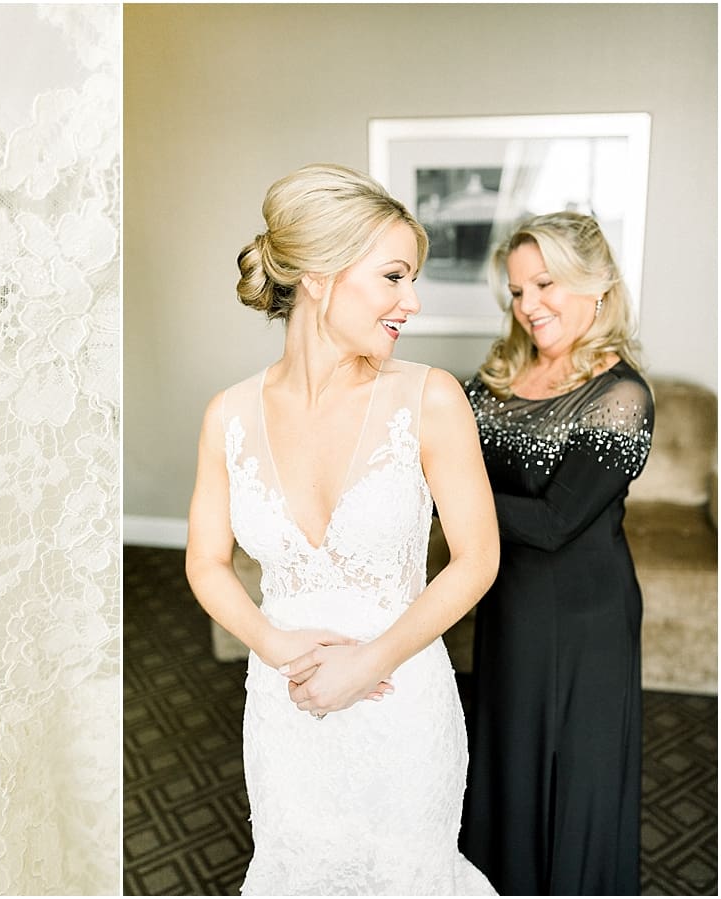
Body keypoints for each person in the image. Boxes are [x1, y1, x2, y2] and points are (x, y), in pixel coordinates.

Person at [184, 163, 499, 895]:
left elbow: (477, 557)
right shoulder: (227, 415)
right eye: (393, 276)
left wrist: (369, 662)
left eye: (411, 279)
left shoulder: (430, 399)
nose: (411, 301)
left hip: (402, 705)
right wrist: (273, 643)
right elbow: (205, 562)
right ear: (319, 278)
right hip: (287, 708)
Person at [459, 212, 654, 895]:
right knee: (507, 758)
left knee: (574, 775)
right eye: (517, 290)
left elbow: (552, 523)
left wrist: (446, 493)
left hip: (583, 617)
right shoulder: (500, 374)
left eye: (545, 284)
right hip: (506, 600)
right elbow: (440, 438)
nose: (528, 305)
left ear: (597, 284)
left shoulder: (621, 396)